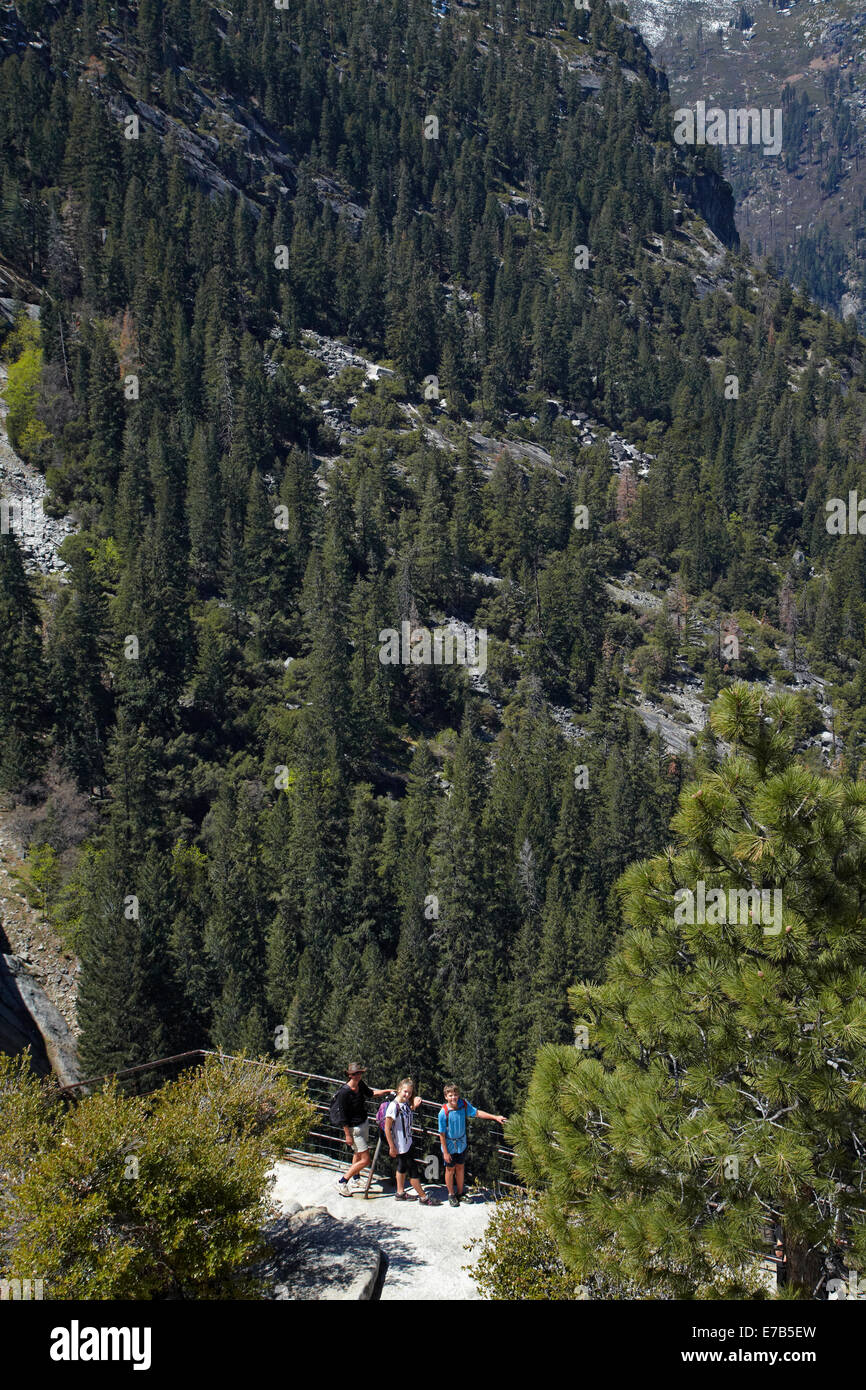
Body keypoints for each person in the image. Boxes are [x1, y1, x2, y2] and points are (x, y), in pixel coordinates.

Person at [438, 1081, 506, 1207]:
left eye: (455, 1094)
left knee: (460, 1168)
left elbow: (477, 1113)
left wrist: (495, 1117)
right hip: (449, 1145)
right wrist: (445, 1152)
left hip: (461, 1144)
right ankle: (451, 1194)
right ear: (446, 1097)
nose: (453, 1097)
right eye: (450, 1095)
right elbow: (441, 1134)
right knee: (450, 1170)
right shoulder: (443, 1113)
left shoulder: (463, 1105)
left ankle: (460, 1193)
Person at [333, 1063, 393, 1195]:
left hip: (362, 1123)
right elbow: (343, 1116)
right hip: (354, 1129)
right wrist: (347, 1135)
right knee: (366, 1160)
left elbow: (371, 1094)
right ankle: (342, 1181)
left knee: (357, 1153)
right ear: (349, 1075)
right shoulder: (344, 1092)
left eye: (359, 1073)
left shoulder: (360, 1085)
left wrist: (387, 1091)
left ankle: (355, 1178)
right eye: (355, 1074)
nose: (357, 1075)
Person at [384, 1078, 439, 1206]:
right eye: (405, 1091)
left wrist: (414, 1105)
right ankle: (424, 1198)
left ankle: (400, 1193)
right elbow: (387, 1128)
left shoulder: (405, 1103)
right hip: (401, 1145)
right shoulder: (393, 1106)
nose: (407, 1094)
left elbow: (405, 1115)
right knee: (413, 1171)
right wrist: (392, 1147)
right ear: (399, 1089)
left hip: (407, 1142)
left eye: (409, 1092)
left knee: (402, 1166)